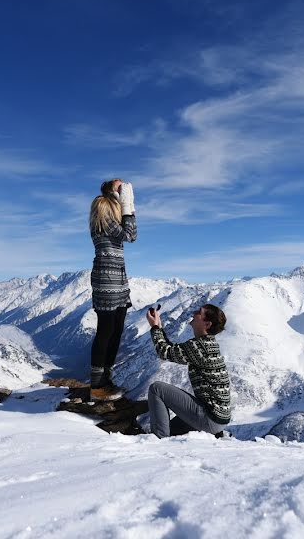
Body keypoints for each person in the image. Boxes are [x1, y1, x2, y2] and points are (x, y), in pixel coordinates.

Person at [145, 304, 231, 438]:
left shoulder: (200, 347)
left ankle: (158, 442)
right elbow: (172, 350)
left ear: (207, 324)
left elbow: (164, 352)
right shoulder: (208, 344)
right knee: (172, 430)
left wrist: (154, 327)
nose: (193, 313)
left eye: (199, 312)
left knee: (156, 389)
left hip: (209, 418)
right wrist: (158, 327)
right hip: (217, 417)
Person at [88, 178, 137, 401]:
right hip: (106, 277)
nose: (123, 189)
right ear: (110, 190)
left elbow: (129, 235)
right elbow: (128, 234)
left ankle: (106, 379)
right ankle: (97, 385)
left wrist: (126, 205)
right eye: (120, 187)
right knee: (106, 330)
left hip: (119, 277)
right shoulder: (101, 205)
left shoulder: (113, 211)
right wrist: (126, 206)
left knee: (117, 330)